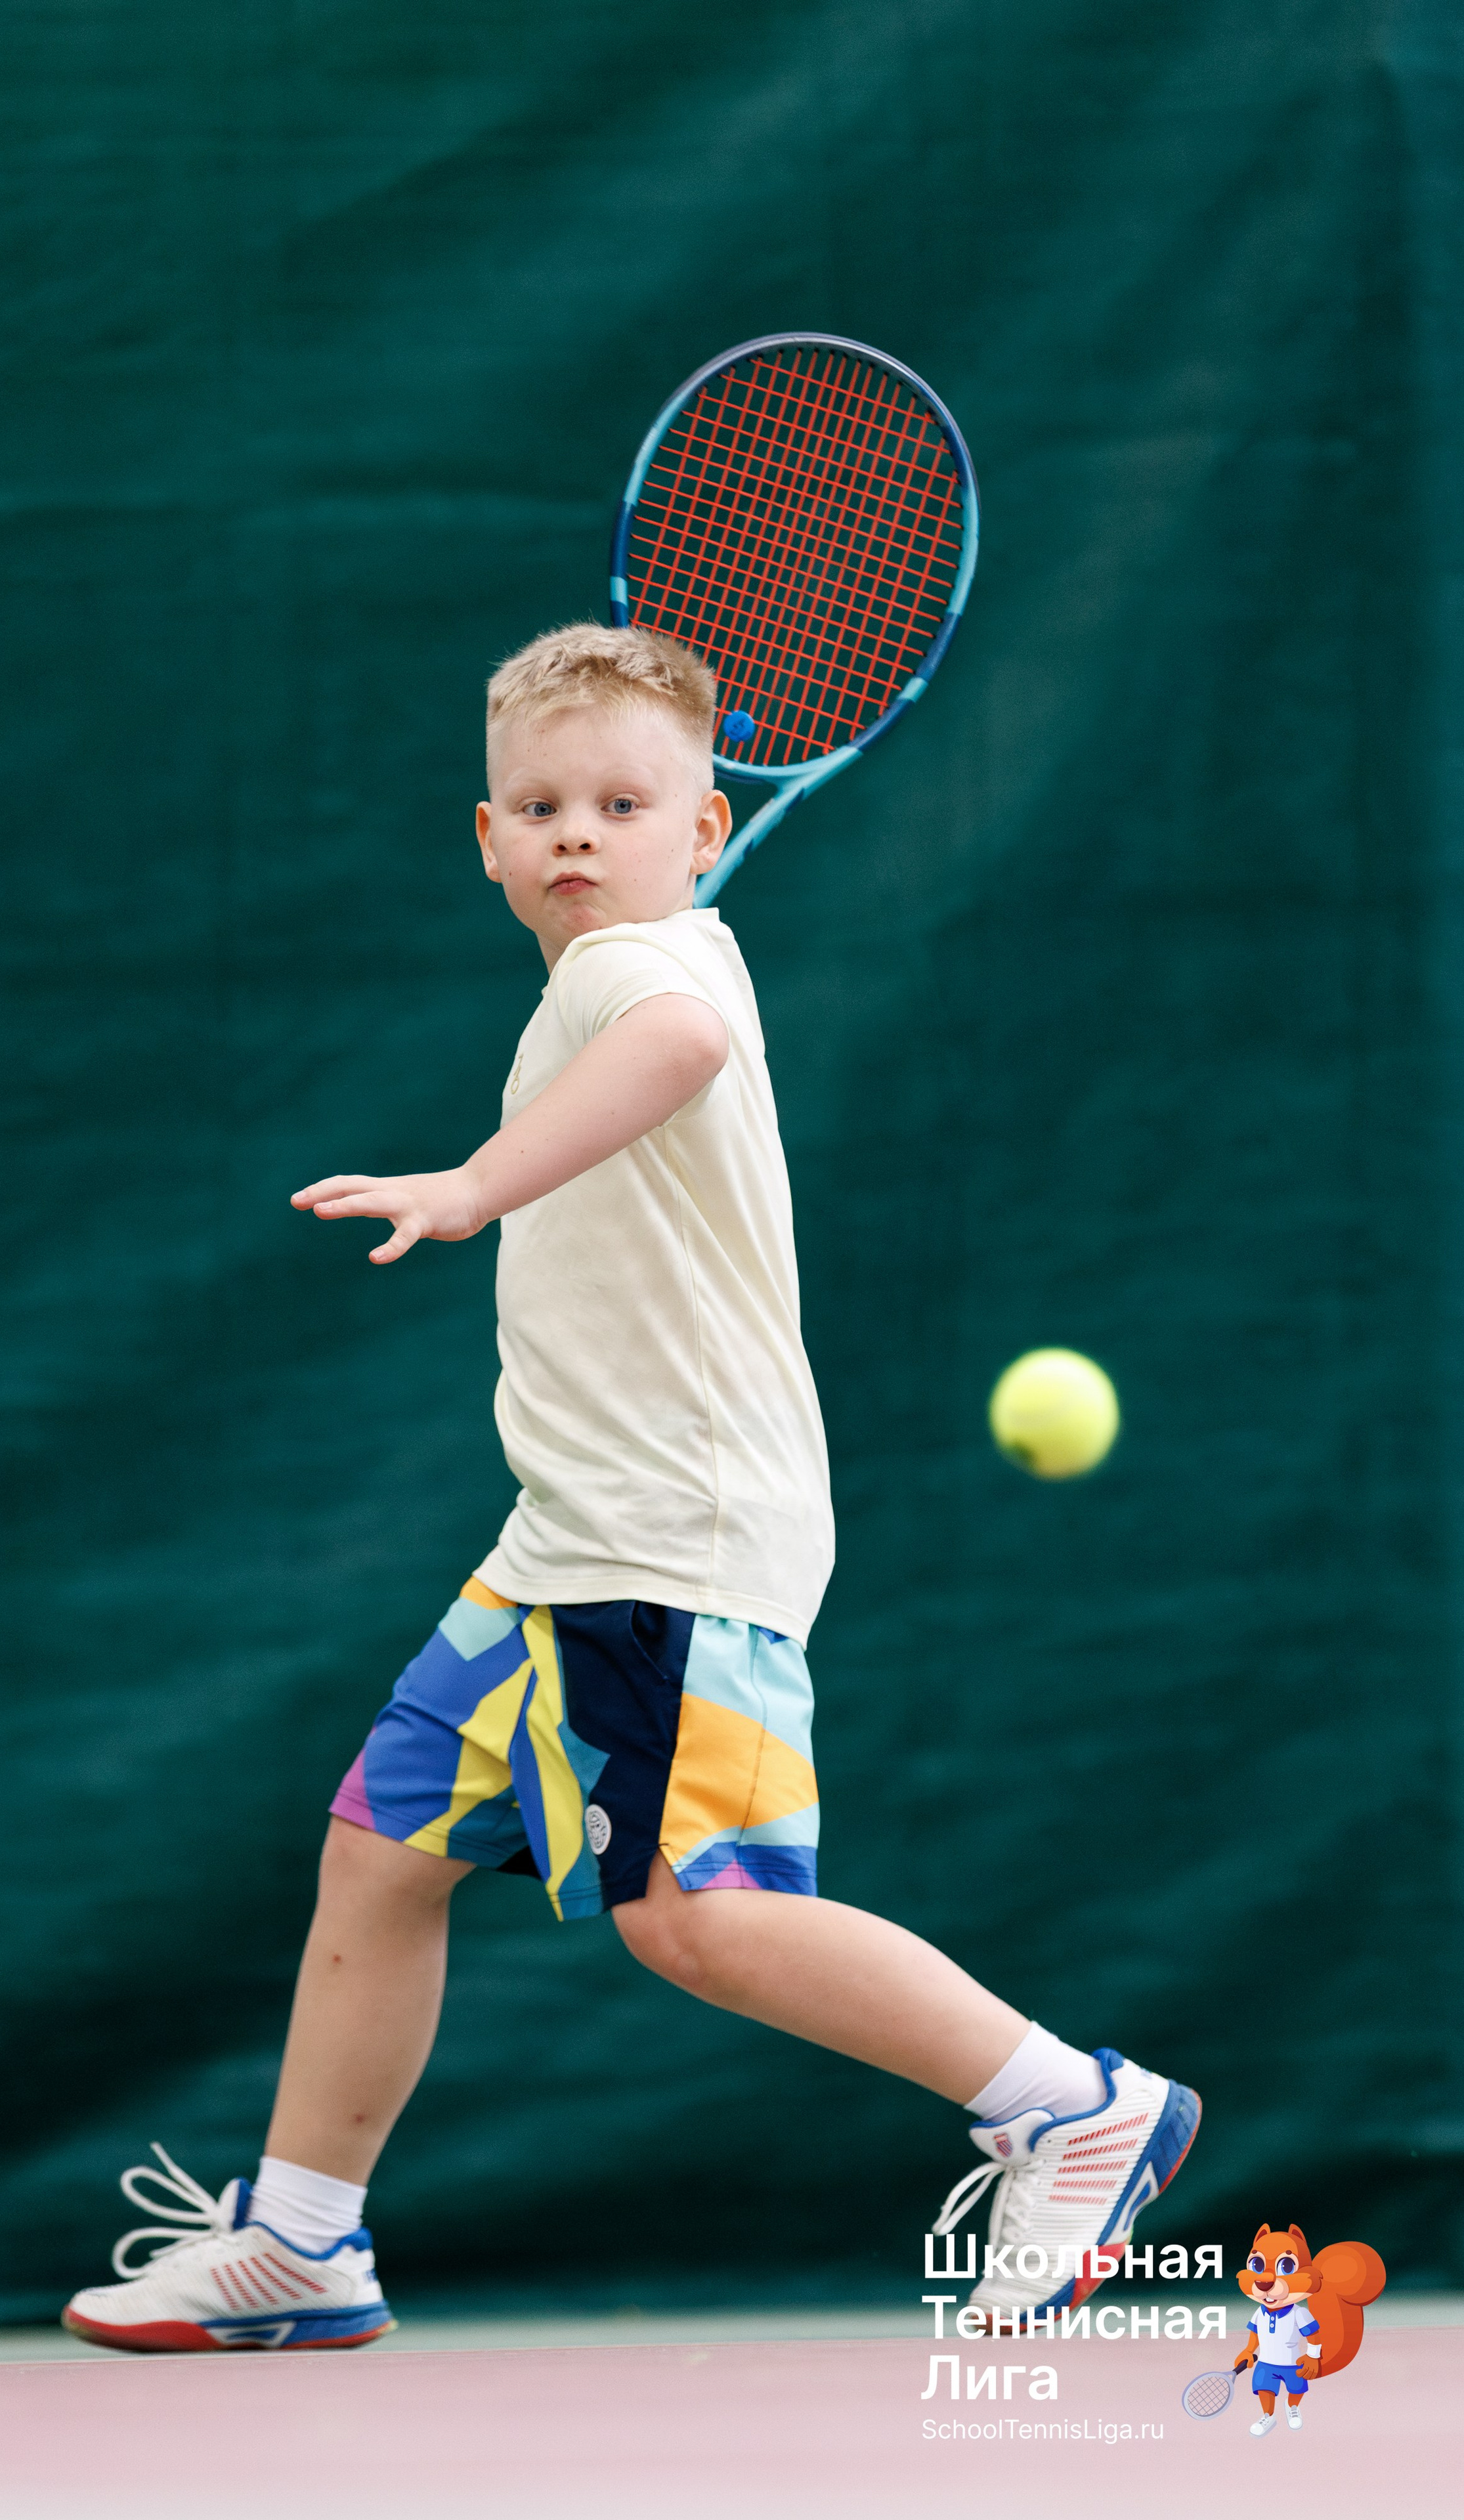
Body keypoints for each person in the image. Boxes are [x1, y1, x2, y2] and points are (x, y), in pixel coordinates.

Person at [62, 624, 1199, 2353]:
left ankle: (1070, 2105)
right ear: (489, 840)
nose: (578, 832)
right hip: (557, 1546)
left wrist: (473, 1184)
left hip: (673, 1539)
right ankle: (302, 2243)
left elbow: (670, 1047)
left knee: (702, 1925)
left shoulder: (646, 971)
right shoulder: (597, 972)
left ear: (708, 831)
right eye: (543, 804)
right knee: (380, 1854)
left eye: (623, 800)